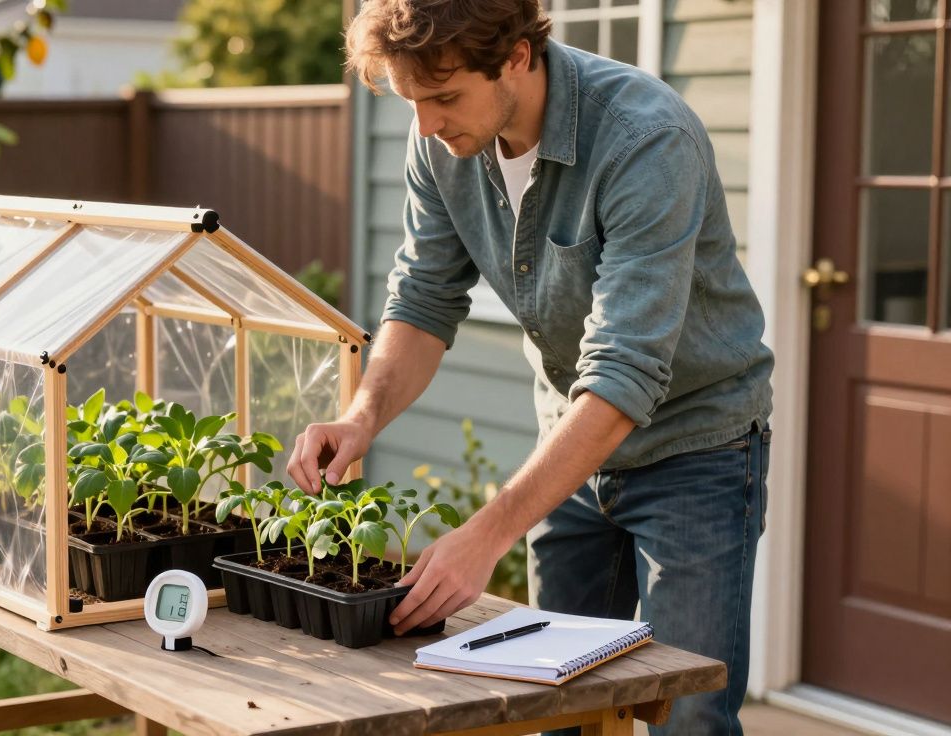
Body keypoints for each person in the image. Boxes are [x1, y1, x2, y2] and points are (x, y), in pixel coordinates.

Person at [285, 1, 774, 733]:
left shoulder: (646, 137)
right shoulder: (442, 145)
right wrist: (362, 416)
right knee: (554, 707)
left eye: (444, 98)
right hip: (569, 450)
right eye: (410, 100)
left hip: (695, 452)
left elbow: (624, 371)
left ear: (517, 55)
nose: (425, 126)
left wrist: (486, 534)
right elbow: (422, 300)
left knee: (688, 716)